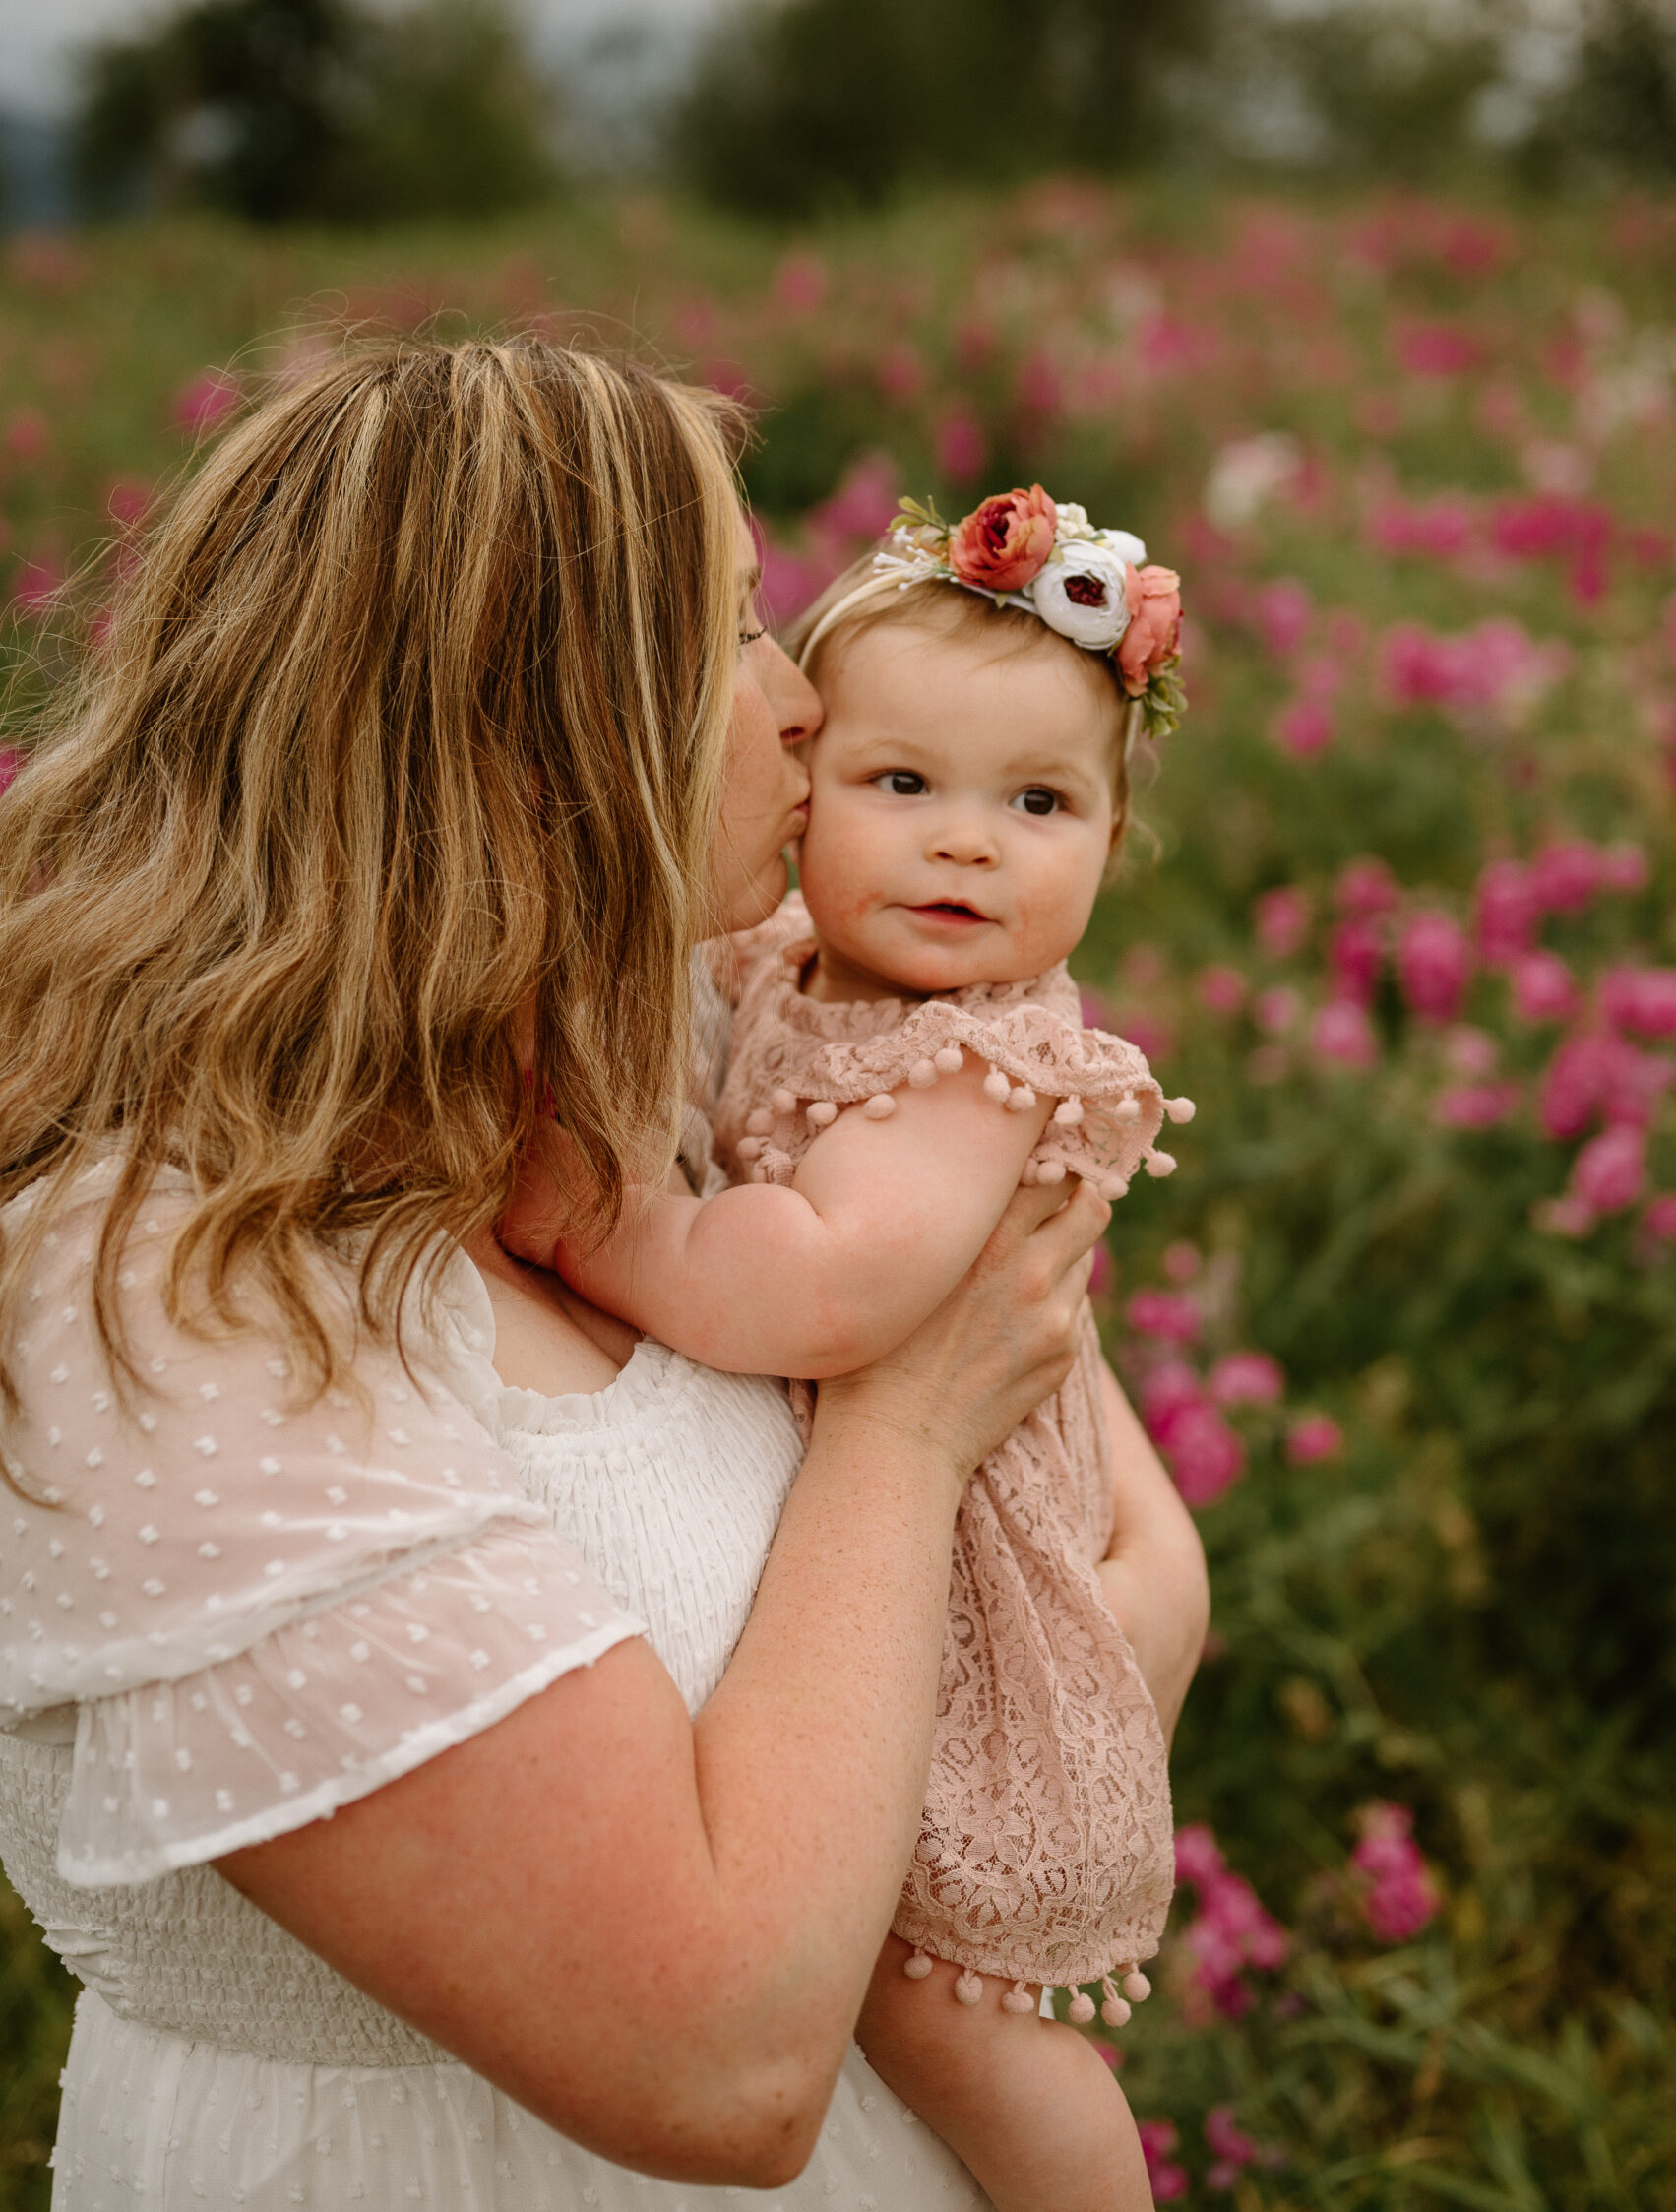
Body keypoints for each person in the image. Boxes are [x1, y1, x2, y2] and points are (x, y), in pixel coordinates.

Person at [0, 344, 1137, 2211]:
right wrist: (903, 1438)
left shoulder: (664, 1048)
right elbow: (723, 2062)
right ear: (525, 738)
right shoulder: (158, 1295)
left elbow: (1132, 1563)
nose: (802, 704)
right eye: (734, 634)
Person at [517, 487, 1210, 2211]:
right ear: (803, 785)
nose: (966, 844)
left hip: (964, 1594)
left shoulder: (982, 1068)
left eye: (1038, 804)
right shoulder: (796, 964)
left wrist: (599, 1227)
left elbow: (819, 1284)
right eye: (905, 787)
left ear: (1111, 852)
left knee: (946, 2009)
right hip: (882, 1546)